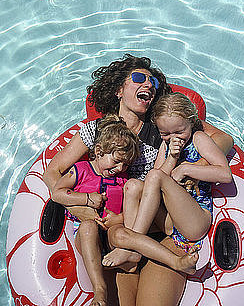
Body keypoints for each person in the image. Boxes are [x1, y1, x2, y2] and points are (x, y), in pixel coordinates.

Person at [42, 54, 234, 306]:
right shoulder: (97, 131)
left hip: (159, 230)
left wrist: (192, 167)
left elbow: (223, 139)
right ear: (119, 89)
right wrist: (81, 207)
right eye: (138, 78)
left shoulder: (163, 129)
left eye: (152, 82)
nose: (148, 84)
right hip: (111, 233)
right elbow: (52, 173)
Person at [51, 115, 198, 306]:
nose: (120, 168)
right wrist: (86, 199)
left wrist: (117, 219)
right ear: (98, 151)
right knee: (88, 228)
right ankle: (100, 289)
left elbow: (130, 212)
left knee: (121, 234)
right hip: (88, 234)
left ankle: (176, 262)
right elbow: (57, 193)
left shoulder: (122, 180)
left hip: (111, 233)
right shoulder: (80, 170)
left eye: (126, 165)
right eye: (117, 161)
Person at [101, 92, 232, 270]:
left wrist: (185, 168)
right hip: (170, 222)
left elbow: (225, 174)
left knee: (154, 176)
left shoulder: (198, 138)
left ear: (191, 122)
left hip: (195, 221)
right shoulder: (166, 146)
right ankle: (134, 250)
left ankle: (131, 246)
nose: (173, 138)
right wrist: (172, 157)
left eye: (179, 131)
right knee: (132, 185)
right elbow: (154, 182)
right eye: (165, 133)